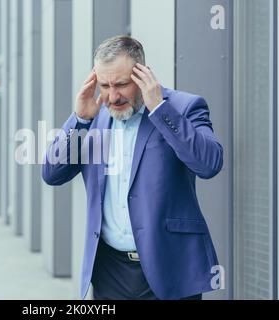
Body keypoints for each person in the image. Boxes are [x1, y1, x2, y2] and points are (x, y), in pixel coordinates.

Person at [42, 35, 223, 300]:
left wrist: (160, 109)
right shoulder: (93, 116)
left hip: (170, 266)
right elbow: (52, 173)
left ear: (142, 75)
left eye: (122, 84)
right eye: (104, 85)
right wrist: (79, 119)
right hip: (110, 272)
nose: (112, 96)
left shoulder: (183, 107)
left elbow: (209, 164)